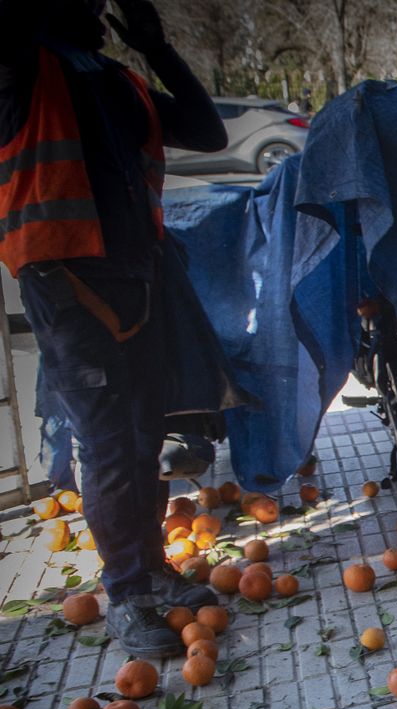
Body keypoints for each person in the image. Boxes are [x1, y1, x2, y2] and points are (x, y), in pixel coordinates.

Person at [1, 0, 230, 656]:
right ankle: (127, 594)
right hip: (68, 287)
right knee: (105, 443)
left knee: (142, 436)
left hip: (138, 282)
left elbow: (207, 132)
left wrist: (155, 48)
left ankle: (153, 568)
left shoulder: (117, 79)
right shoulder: (24, 70)